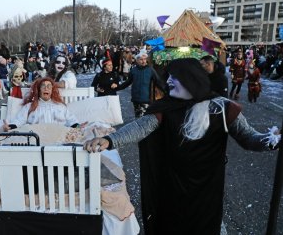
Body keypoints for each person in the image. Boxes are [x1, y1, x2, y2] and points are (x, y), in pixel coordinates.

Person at [84, 58, 281, 235]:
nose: (168, 82)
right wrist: (110, 140)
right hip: (172, 184)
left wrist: (271, 140)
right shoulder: (166, 106)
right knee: (172, 224)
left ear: (190, 79)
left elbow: (249, 138)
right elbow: (140, 127)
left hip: (207, 185)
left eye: (174, 78)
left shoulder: (222, 108)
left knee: (206, 224)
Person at [0, 77, 80, 130]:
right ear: (38, 90)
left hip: (57, 138)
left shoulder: (60, 106)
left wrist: (78, 126)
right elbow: (19, 120)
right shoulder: (29, 106)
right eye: (43, 86)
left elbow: (72, 120)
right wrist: (10, 127)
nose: (46, 88)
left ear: (52, 91)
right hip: (36, 139)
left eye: (49, 86)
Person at [117, 51, 165, 118]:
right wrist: (118, 87)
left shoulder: (150, 70)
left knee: (143, 118)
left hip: (146, 99)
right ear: (137, 60)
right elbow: (128, 82)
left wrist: (166, 91)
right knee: (137, 116)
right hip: (136, 98)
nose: (143, 61)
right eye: (141, 59)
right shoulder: (133, 70)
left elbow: (158, 82)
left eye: (145, 59)